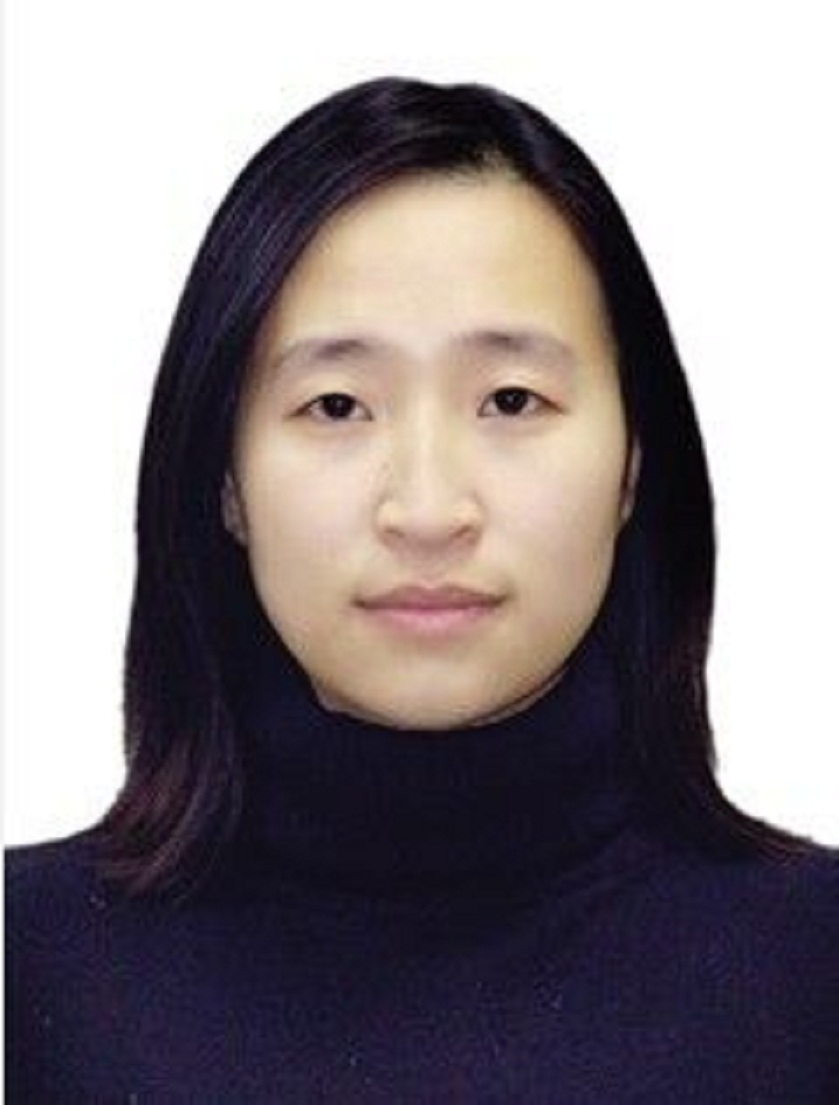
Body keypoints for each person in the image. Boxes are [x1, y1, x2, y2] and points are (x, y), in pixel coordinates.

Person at [5, 75, 838, 1103]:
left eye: (511, 399)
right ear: (224, 479)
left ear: (632, 461)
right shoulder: (26, 969)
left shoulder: (811, 969)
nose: (429, 508)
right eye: (337, 405)